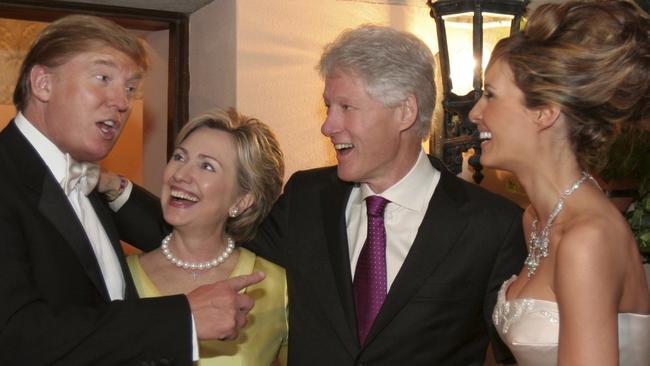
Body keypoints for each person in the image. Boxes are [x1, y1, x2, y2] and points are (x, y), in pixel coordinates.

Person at [109, 24, 527, 365]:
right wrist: (114, 190)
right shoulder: (308, 197)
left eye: (346, 108)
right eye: (328, 107)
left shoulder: (491, 224)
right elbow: (206, 235)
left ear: (405, 112)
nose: (328, 126)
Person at [0, 15, 264, 365]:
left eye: (129, 87)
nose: (123, 103)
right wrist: (182, 319)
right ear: (43, 83)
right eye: (103, 78)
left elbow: (187, 237)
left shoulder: (86, 183)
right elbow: (15, 337)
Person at [469, 1, 650, 365]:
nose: (474, 113)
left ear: (544, 112)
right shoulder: (535, 218)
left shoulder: (587, 238)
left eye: (490, 95)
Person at [122, 108, 288, 365]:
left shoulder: (276, 287)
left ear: (242, 200)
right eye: (179, 157)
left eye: (206, 166)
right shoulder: (117, 276)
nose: (180, 175)